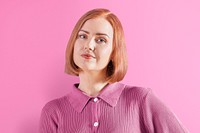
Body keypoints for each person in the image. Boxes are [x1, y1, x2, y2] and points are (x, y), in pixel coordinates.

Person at [39, 8, 188, 133]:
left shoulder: (140, 100)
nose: (89, 45)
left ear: (114, 51)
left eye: (101, 40)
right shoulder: (53, 111)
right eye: (83, 36)